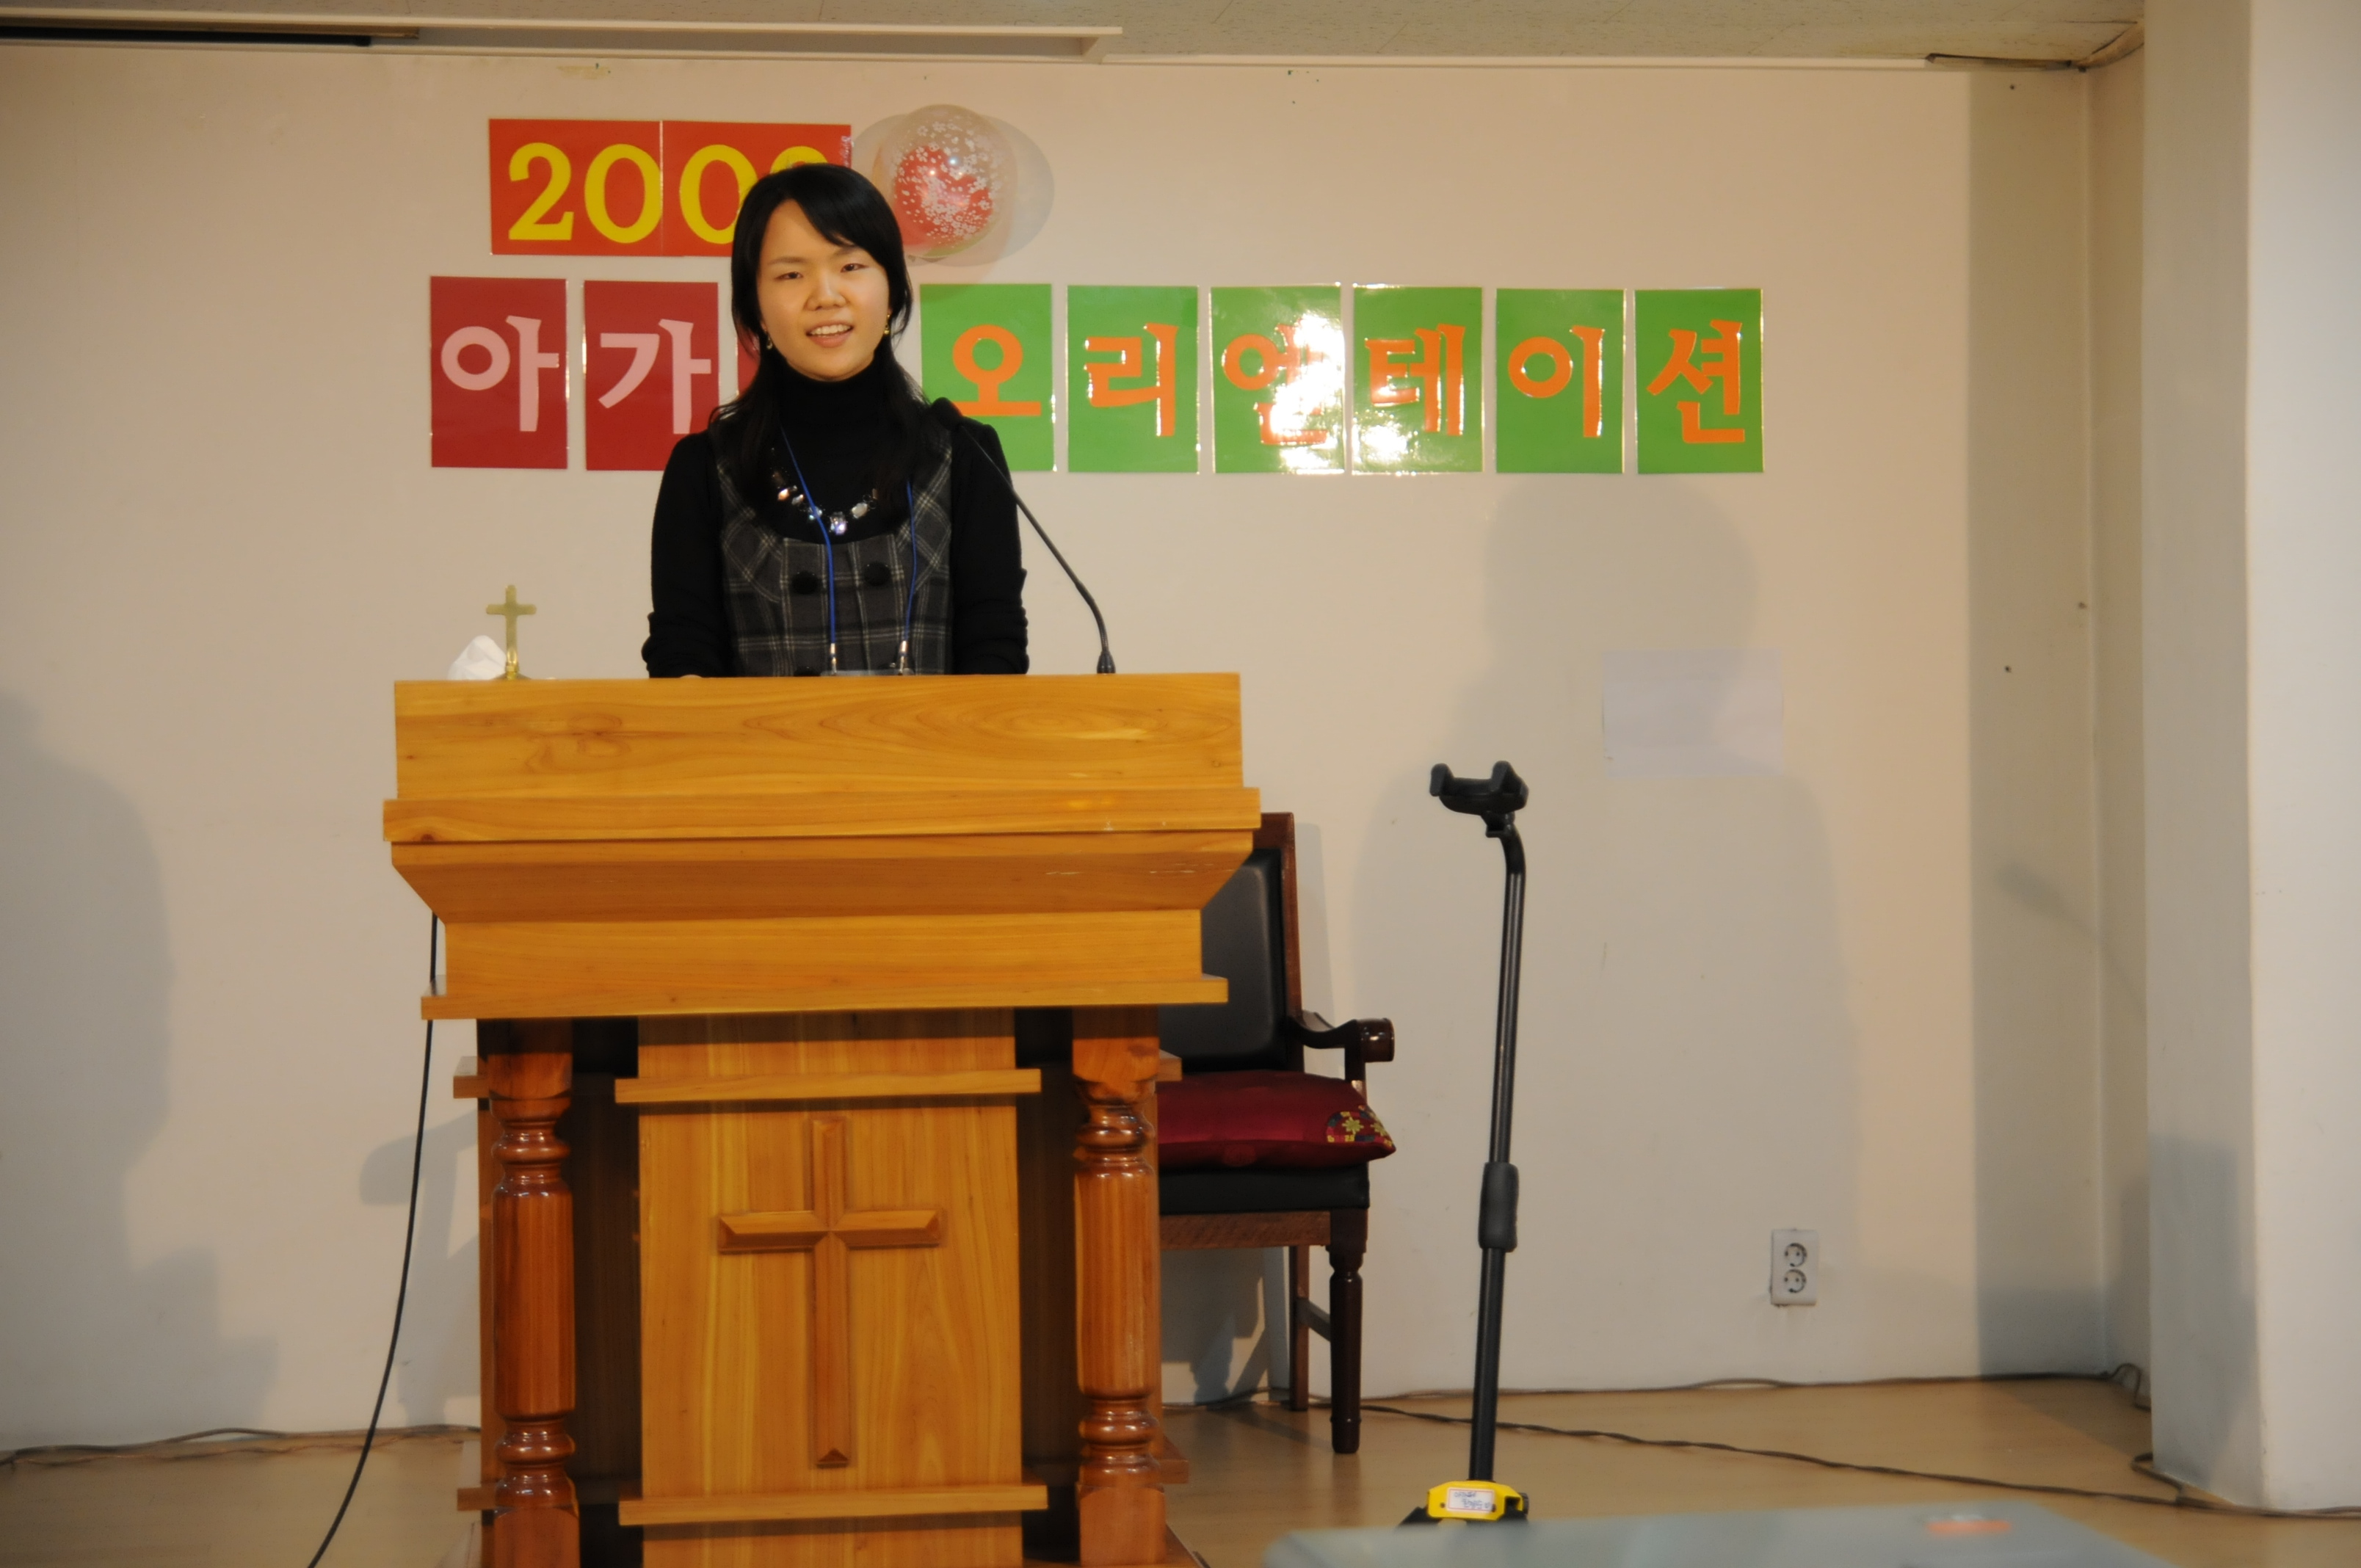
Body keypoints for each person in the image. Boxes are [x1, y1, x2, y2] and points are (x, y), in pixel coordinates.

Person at [642, 163, 1027, 677]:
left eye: (850, 266)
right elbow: (682, 650)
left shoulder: (964, 453)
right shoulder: (705, 467)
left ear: (892, 290)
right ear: (756, 307)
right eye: (791, 274)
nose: (825, 296)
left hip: (929, 734)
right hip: (761, 735)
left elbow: (995, 646)